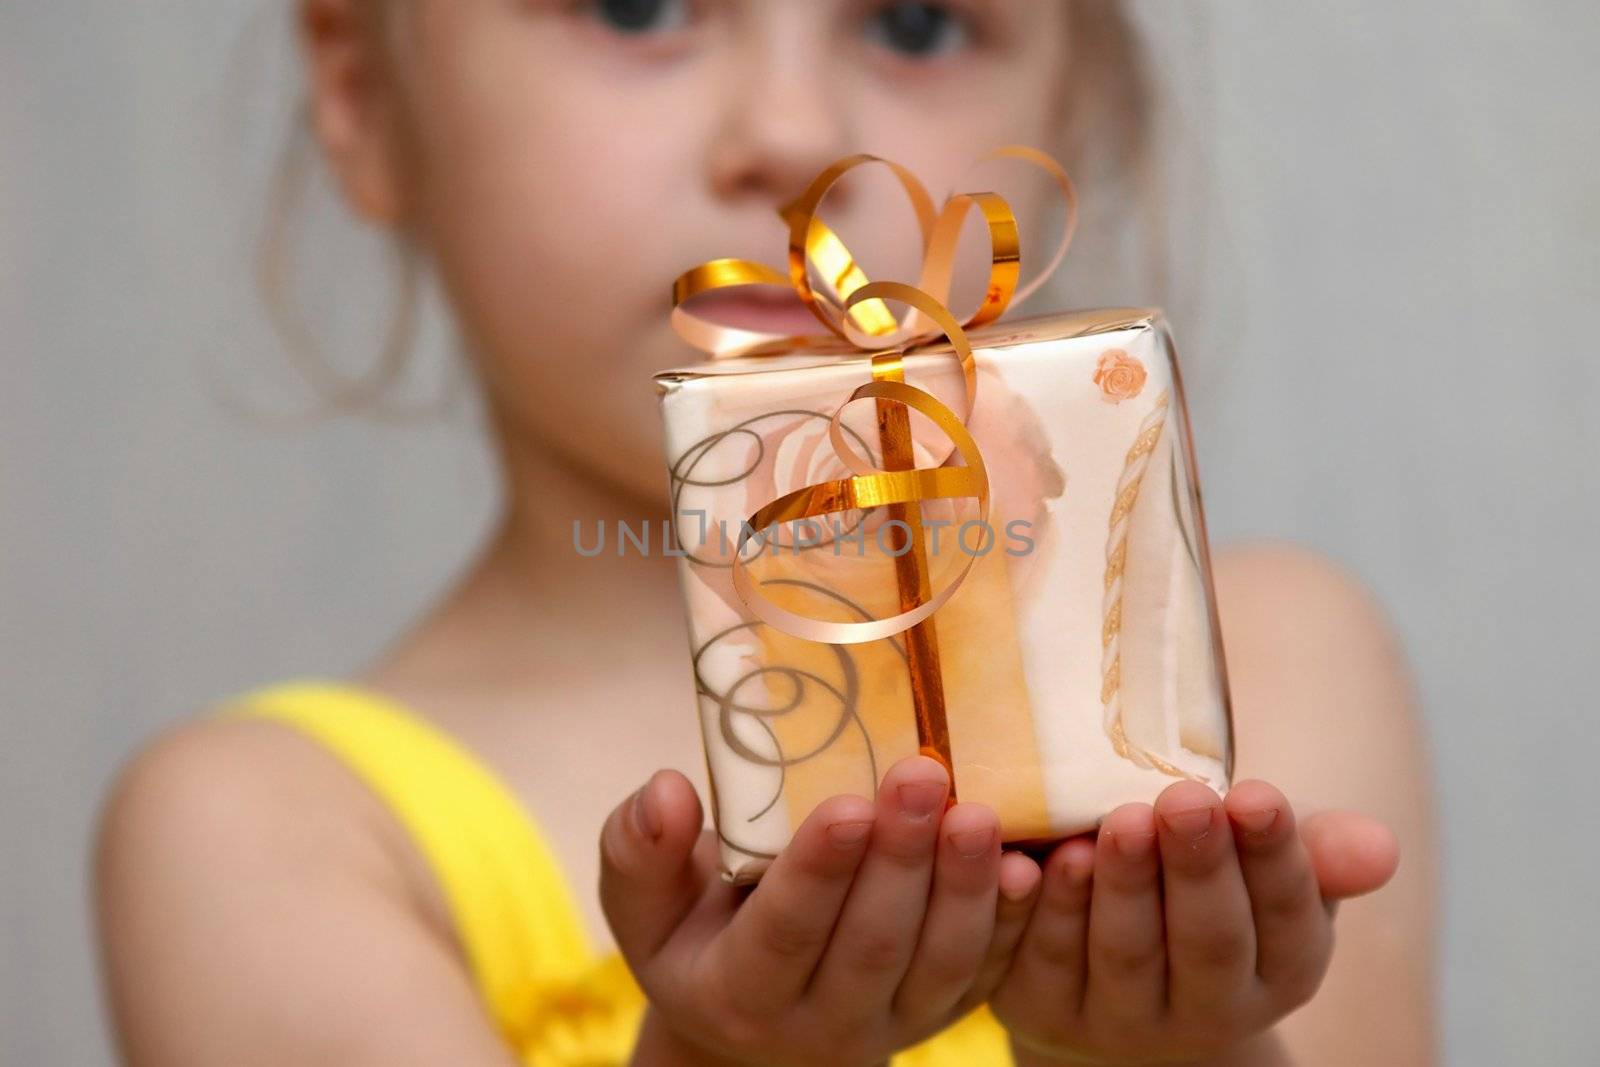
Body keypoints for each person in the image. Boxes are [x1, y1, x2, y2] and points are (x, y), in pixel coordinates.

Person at [92, 2, 1436, 1064]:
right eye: (636, 6)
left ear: (1069, 109)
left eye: (914, 21)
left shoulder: (1265, 675)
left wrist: (1156, 1057)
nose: (795, 135)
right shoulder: (258, 836)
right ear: (362, 95)